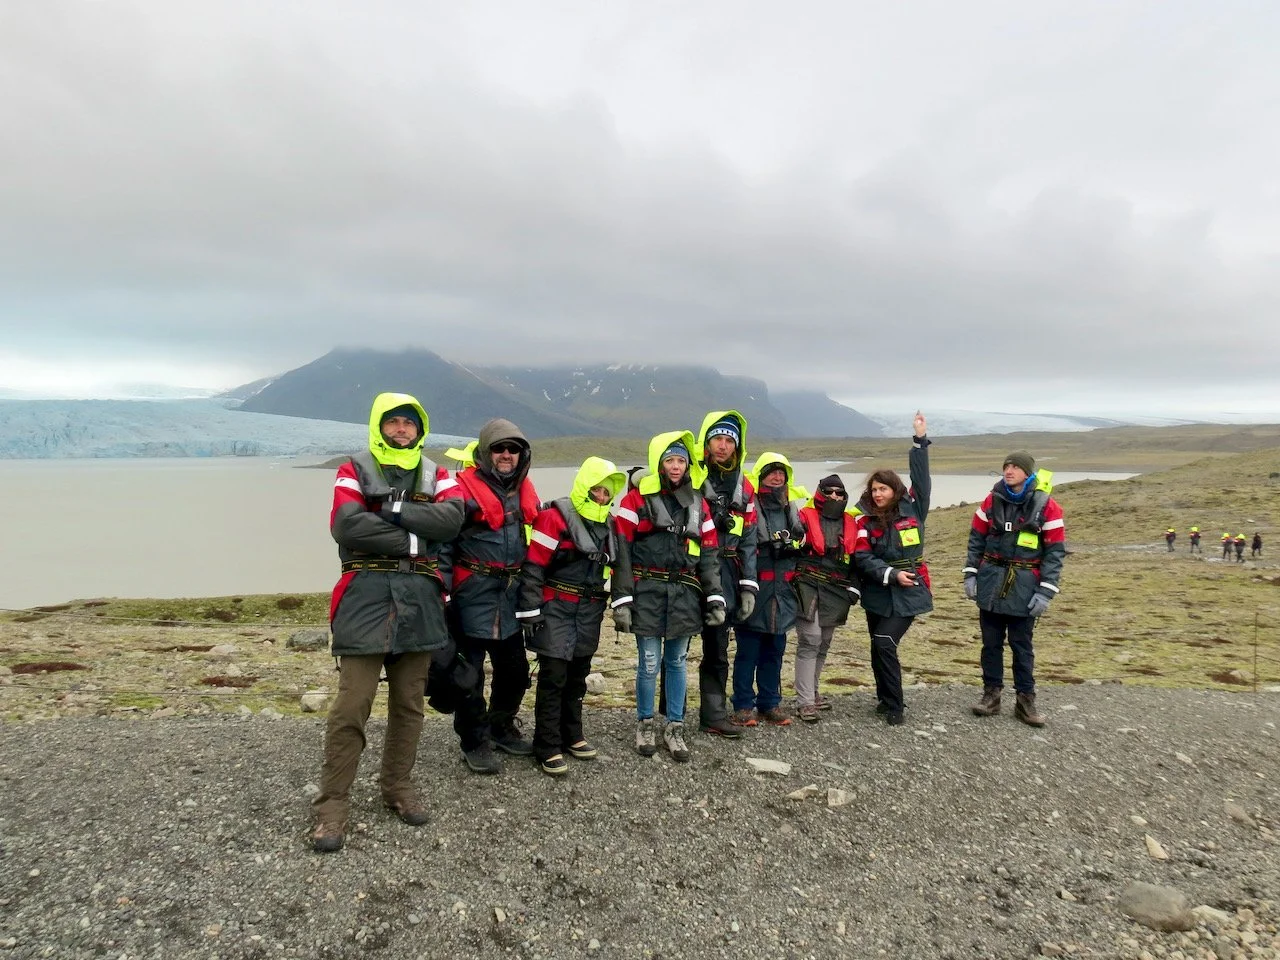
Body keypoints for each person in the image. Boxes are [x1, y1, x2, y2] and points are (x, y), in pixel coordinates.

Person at [311, 393, 466, 853]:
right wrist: (418, 541)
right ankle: (332, 806)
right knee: (351, 705)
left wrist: (388, 511)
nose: (401, 429)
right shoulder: (353, 469)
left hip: (419, 600)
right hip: (365, 596)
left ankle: (397, 787)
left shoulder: (439, 474)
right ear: (379, 426)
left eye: (409, 423)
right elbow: (346, 526)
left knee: (409, 704)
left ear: (420, 429)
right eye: (393, 421)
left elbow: (451, 521)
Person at [613, 431, 724, 762]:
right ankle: (645, 723)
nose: (676, 466)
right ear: (659, 463)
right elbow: (622, 553)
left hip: (685, 595)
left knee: (677, 662)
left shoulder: (699, 504)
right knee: (649, 662)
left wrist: (715, 597)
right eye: (669, 460)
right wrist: (622, 600)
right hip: (646, 593)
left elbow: (709, 556)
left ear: (688, 465)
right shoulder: (635, 501)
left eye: (681, 461)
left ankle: (675, 726)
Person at [440, 418, 541, 774]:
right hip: (471, 595)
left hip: (510, 598)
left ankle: (500, 727)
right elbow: (443, 546)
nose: (506, 454)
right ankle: (474, 741)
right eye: (499, 448)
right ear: (485, 452)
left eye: (514, 449)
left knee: (515, 672)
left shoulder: (524, 491)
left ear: (522, 455)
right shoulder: (461, 492)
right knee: (469, 676)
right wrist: (443, 593)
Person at [516, 457, 625, 776]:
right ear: (584, 487)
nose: (602, 497)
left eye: (607, 492)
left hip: (589, 610)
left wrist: (623, 604)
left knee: (578, 675)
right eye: (597, 490)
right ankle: (546, 745)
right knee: (553, 676)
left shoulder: (611, 525)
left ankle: (572, 734)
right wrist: (530, 610)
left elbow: (619, 568)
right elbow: (533, 566)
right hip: (556, 607)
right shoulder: (553, 518)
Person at [963, 450, 1065, 727]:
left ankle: (1025, 700)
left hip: (1025, 587)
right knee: (990, 644)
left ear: (1028, 472)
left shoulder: (1048, 507)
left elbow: (1055, 552)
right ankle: (991, 695)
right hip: (990, 583)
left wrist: (1045, 591)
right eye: (1006, 466)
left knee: (1022, 646)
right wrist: (971, 574)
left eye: (1015, 467)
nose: (1008, 471)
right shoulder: (990, 501)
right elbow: (976, 540)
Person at [852, 413, 932, 726]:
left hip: (910, 587)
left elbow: (922, 479)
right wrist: (889, 574)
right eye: (874, 490)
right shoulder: (864, 519)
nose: (877, 494)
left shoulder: (914, 509)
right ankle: (884, 700)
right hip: (878, 591)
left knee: (885, 640)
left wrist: (920, 442)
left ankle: (896, 705)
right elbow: (863, 556)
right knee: (877, 645)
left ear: (894, 490)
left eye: (883, 489)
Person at [693, 410, 758, 738]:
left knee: (718, 649)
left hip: (729, 576)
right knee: (673, 648)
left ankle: (713, 715)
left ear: (737, 445)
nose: (723, 445)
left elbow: (749, 539)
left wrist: (749, 587)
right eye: (717, 438)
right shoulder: (689, 475)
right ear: (706, 443)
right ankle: (667, 715)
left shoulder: (744, 487)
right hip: (690, 575)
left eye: (729, 440)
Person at [732, 453, 805, 727]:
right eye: (771, 472)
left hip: (783, 592)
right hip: (755, 589)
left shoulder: (790, 509)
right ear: (761, 476)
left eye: (781, 472)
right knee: (747, 652)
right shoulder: (748, 506)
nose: (777, 477)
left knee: (774, 651)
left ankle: (769, 703)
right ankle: (743, 705)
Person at [793, 474, 861, 722]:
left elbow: (858, 560)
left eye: (839, 493)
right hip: (807, 584)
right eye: (829, 491)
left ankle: (812, 692)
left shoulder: (852, 523)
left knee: (824, 642)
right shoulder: (802, 517)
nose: (834, 496)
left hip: (837, 588)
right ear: (819, 492)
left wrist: (855, 587)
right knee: (810, 639)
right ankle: (805, 701)